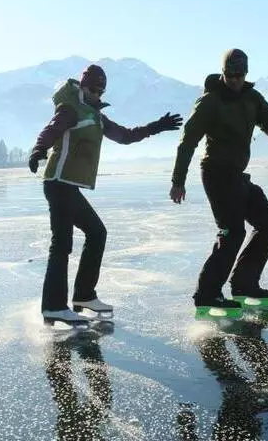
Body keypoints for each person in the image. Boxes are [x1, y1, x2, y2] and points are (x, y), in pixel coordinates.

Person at [29, 64, 183, 326]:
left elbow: (125, 136)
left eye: (101, 91)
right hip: (58, 183)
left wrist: (157, 126)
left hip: (69, 186)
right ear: (83, 86)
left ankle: (84, 296)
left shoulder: (97, 116)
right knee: (62, 244)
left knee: (97, 233)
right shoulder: (70, 109)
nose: (97, 94)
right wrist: (39, 149)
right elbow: (52, 129)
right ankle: (54, 306)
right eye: (93, 89)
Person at [169, 48, 268, 318]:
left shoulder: (252, 98)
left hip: (236, 176)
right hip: (215, 174)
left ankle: (245, 285)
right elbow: (188, 141)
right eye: (231, 74)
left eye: (240, 74)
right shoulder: (210, 102)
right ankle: (207, 294)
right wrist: (178, 180)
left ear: (246, 73)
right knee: (232, 232)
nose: (236, 80)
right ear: (224, 73)